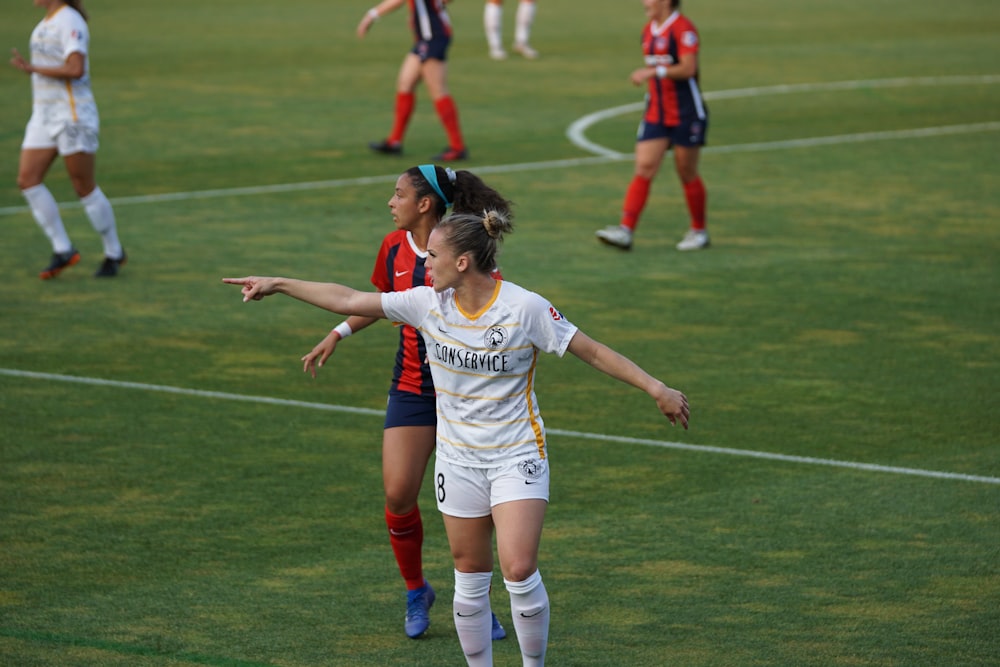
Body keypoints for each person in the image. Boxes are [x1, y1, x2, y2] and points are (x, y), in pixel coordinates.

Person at [223, 211, 690, 666]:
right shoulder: (425, 304)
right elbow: (348, 299)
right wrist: (278, 283)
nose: (425, 264)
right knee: (469, 575)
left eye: (432, 256)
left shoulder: (523, 307)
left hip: (516, 455)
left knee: (519, 568)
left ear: (462, 262)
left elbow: (590, 350)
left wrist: (657, 388)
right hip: (458, 461)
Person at [301, 165, 512, 641]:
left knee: (476, 509)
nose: (390, 202)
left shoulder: (462, 250)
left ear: (424, 204)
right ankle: (417, 589)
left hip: (465, 397)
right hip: (414, 387)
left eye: (397, 194)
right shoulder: (392, 247)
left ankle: (478, 602)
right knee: (398, 494)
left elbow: (494, 307)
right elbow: (379, 300)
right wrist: (338, 332)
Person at [10, 0, 126, 279]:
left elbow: (76, 69)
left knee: (83, 186)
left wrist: (33, 69)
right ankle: (63, 249)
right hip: (43, 115)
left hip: (72, 116)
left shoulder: (69, 20)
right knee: (28, 180)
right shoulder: (45, 23)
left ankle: (114, 251)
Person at [595, 0, 709, 252]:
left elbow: (689, 68)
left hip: (686, 113)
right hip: (656, 112)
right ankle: (625, 231)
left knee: (687, 171)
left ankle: (699, 231)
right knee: (644, 167)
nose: (644, 2)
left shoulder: (683, 29)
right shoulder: (648, 30)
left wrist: (653, 72)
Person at [358, 0, 469, 162]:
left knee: (438, 90)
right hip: (424, 38)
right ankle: (394, 142)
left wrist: (371, 15)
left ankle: (458, 147)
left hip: (433, 37)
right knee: (405, 84)